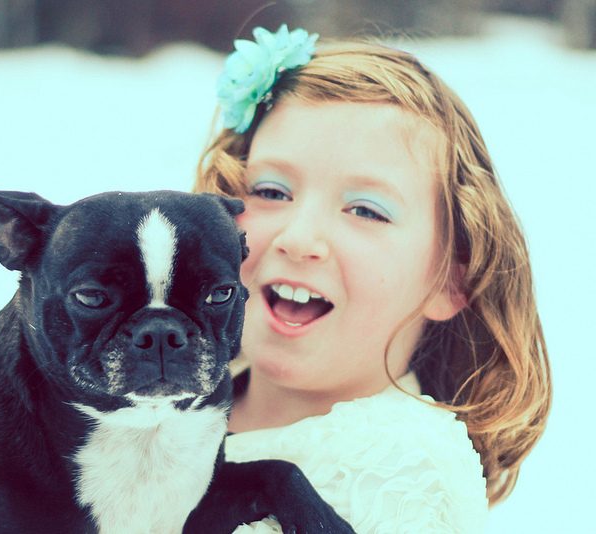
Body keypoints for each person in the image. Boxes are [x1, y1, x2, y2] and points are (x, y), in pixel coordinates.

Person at [194, 25, 552, 532]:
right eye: (272, 192)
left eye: (365, 210)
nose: (299, 239)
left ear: (450, 281)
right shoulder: (159, 394)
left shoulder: (403, 479)